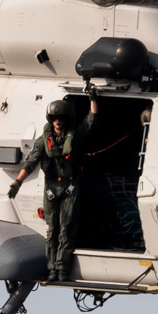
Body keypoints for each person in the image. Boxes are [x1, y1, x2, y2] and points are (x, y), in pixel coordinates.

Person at [8, 88, 99, 282]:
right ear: (51, 120)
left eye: (61, 118)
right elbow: (30, 163)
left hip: (70, 187)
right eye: (55, 119)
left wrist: (92, 98)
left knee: (67, 229)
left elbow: (91, 120)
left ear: (65, 120)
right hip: (51, 189)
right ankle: (51, 269)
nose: (58, 121)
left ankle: (62, 268)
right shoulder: (43, 142)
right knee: (52, 230)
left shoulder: (74, 137)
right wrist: (17, 183)